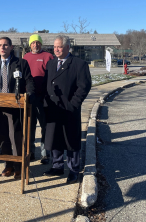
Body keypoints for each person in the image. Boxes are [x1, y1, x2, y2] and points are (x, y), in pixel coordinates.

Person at [0, 37, 35, 180]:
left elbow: (29, 80)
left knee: (16, 137)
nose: (2, 48)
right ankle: (8, 164)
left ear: (11, 47)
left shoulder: (21, 63)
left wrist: (29, 93)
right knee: (3, 138)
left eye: (5, 45)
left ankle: (18, 166)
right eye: (0, 45)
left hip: (15, 106)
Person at [43, 35, 92, 184]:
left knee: (71, 140)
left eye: (59, 47)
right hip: (53, 108)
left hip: (69, 109)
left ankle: (73, 170)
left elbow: (84, 86)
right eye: (55, 46)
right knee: (55, 137)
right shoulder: (51, 64)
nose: (56, 49)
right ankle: (57, 166)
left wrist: (73, 105)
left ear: (67, 47)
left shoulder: (79, 64)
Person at [23, 34, 53, 164]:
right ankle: (30, 152)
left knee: (45, 125)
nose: (35, 45)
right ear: (30, 45)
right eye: (33, 43)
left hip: (44, 97)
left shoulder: (48, 56)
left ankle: (45, 153)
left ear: (41, 44)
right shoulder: (26, 57)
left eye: (38, 43)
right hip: (29, 97)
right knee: (30, 126)